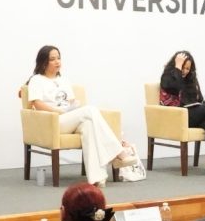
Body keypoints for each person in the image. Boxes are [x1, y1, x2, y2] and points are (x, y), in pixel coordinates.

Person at [26, 45, 137, 187]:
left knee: (89, 126)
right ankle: (118, 152)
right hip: (53, 121)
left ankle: (97, 178)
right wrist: (58, 111)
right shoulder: (37, 80)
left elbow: (71, 102)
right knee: (90, 110)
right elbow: (37, 103)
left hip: (69, 118)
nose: (57, 61)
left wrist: (74, 107)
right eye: (52, 59)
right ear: (43, 62)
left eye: (59, 58)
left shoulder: (64, 80)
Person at [159, 51, 205, 176]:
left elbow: (198, 99)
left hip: (189, 115)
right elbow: (176, 87)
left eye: (187, 68)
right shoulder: (166, 77)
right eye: (183, 67)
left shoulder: (191, 79)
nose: (185, 71)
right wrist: (178, 67)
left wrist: (199, 104)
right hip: (174, 117)